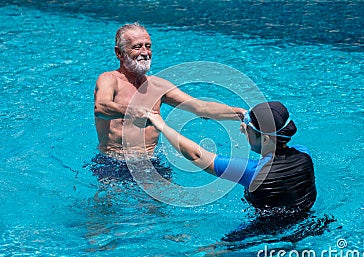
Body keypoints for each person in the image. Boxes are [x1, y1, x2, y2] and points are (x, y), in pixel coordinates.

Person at [94, 22, 245, 160]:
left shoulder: (158, 86)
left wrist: (241, 114)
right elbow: (100, 108)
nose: (145, 52)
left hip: (152, 162)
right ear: (119, 53)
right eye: (137, 46)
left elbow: (201, 108)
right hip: (113, 162)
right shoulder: (109, 79)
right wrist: (130, 111)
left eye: (148, 46)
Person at [148, 101, 317, 214]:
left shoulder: (252, 172)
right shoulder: (304, 154)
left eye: (248, 130)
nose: (244, 132)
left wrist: (162, 125)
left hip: (263, 232)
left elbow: (197, 155)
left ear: (265, 139)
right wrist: (247, 118)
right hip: (308, 222)